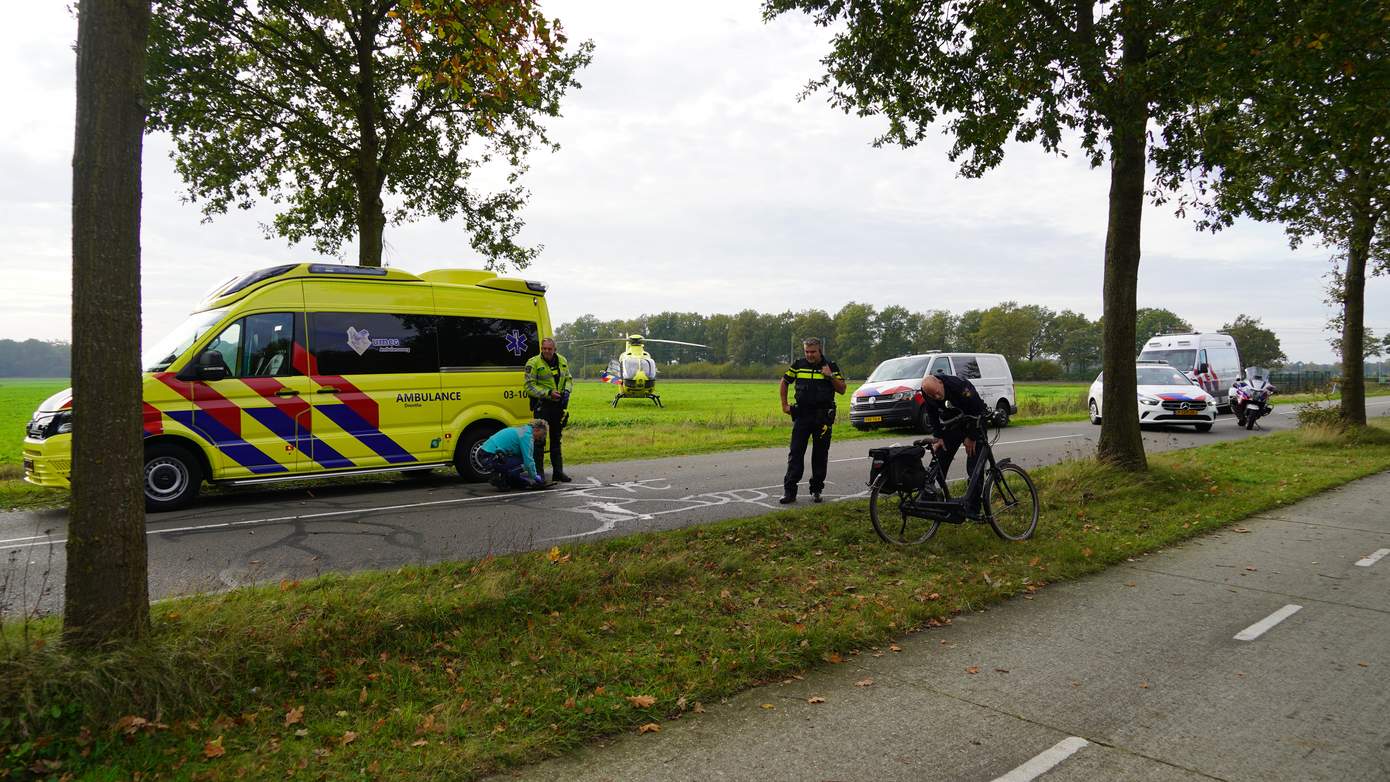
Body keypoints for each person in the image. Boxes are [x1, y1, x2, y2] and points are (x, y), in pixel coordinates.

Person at [779, 337, 846, 503]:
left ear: (819, 350)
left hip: (822, 417)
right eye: (807, 352)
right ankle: (790, 492)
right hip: (802, 415)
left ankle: (816, 490)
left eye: (813, 352)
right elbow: (784, 381)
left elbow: (842, 389)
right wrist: (784, 404)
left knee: (820, 455)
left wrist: (830, 376)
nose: (809, 355)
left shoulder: (830, 366)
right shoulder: (798, 365)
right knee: (795, 453)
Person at [920, 371, 990, 515]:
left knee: (975, 466)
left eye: (938, 393)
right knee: (939, 459)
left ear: (940, 383)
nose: (937, 397)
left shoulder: (959, 385)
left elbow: (977, 410)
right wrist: (938, 437)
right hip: (954, 423)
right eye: (933, 395)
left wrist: (971, 437)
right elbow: (932, 413)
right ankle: (930, 499)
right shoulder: (927, 392)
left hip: (974, 422)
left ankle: (973, 508)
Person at [524, 338, 573, 482]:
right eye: (544, 348)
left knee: (556, 440)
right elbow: (529, 386)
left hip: (557, 407)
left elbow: (569, 379)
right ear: (541, 348)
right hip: (542, 406)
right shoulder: (533, 363)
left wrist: (567, 391)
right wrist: (548, 393)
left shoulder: (562, 361)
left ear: (554, 349)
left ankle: (558, 472)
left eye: (549, 349)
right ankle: (539, 474)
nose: (546, 351)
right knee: (539, 441)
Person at [478, 419, 549, 490]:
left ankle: (506, 479)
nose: (538, 439)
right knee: (523, 461)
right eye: (539, 437)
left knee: (518, 458)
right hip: (491, 457)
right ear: (537, 430)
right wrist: (535, 476)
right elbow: (528, 461)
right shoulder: (527, 436)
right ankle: (500, 478)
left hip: (484, 455)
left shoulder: (522, 430)